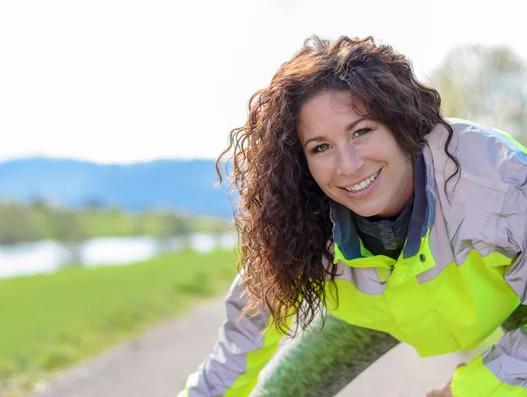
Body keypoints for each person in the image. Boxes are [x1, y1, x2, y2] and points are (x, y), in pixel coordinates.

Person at [177, 35, 527, 397]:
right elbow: (236, 352)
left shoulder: (499, 180)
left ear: (399, 123)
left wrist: (470, 390)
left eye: (361, 131)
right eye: (321, 147)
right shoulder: (299, 219)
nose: (349, 166)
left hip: (510, 294)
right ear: (301, 161)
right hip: (378, 313)